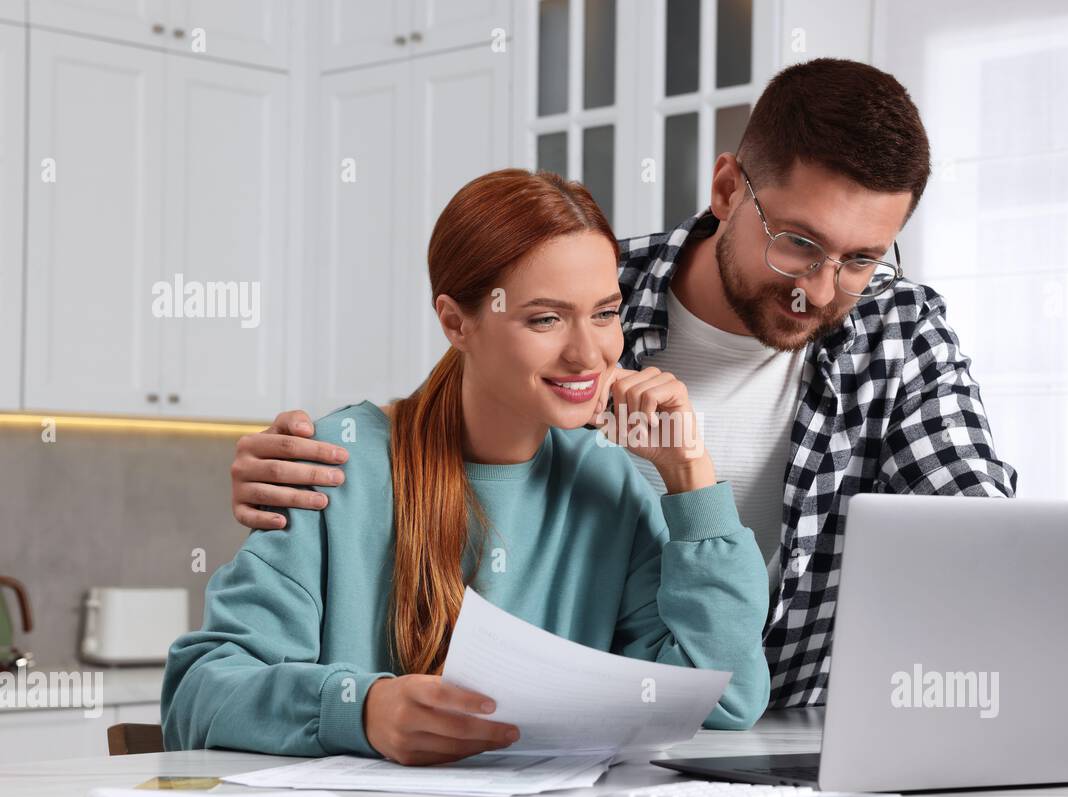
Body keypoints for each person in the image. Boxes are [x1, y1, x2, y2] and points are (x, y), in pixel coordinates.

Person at [223, 58, 1068, 767]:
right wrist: (315, 461)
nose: (823, 289)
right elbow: (458, 422)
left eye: (865, 257)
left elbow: (978, 538)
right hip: (600, 749)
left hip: (775, 732)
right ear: (725, 191)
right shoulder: (597, 280)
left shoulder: (896, 329)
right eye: (799, 243)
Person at [162, 170, 771, 765]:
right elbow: (198, 696)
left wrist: (689, 473)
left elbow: (721, 695)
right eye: (545, 318)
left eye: (605, 313)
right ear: (456, 322)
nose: (589, 353)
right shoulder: (335, 464)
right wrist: (361, 710)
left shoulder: (607, 482)